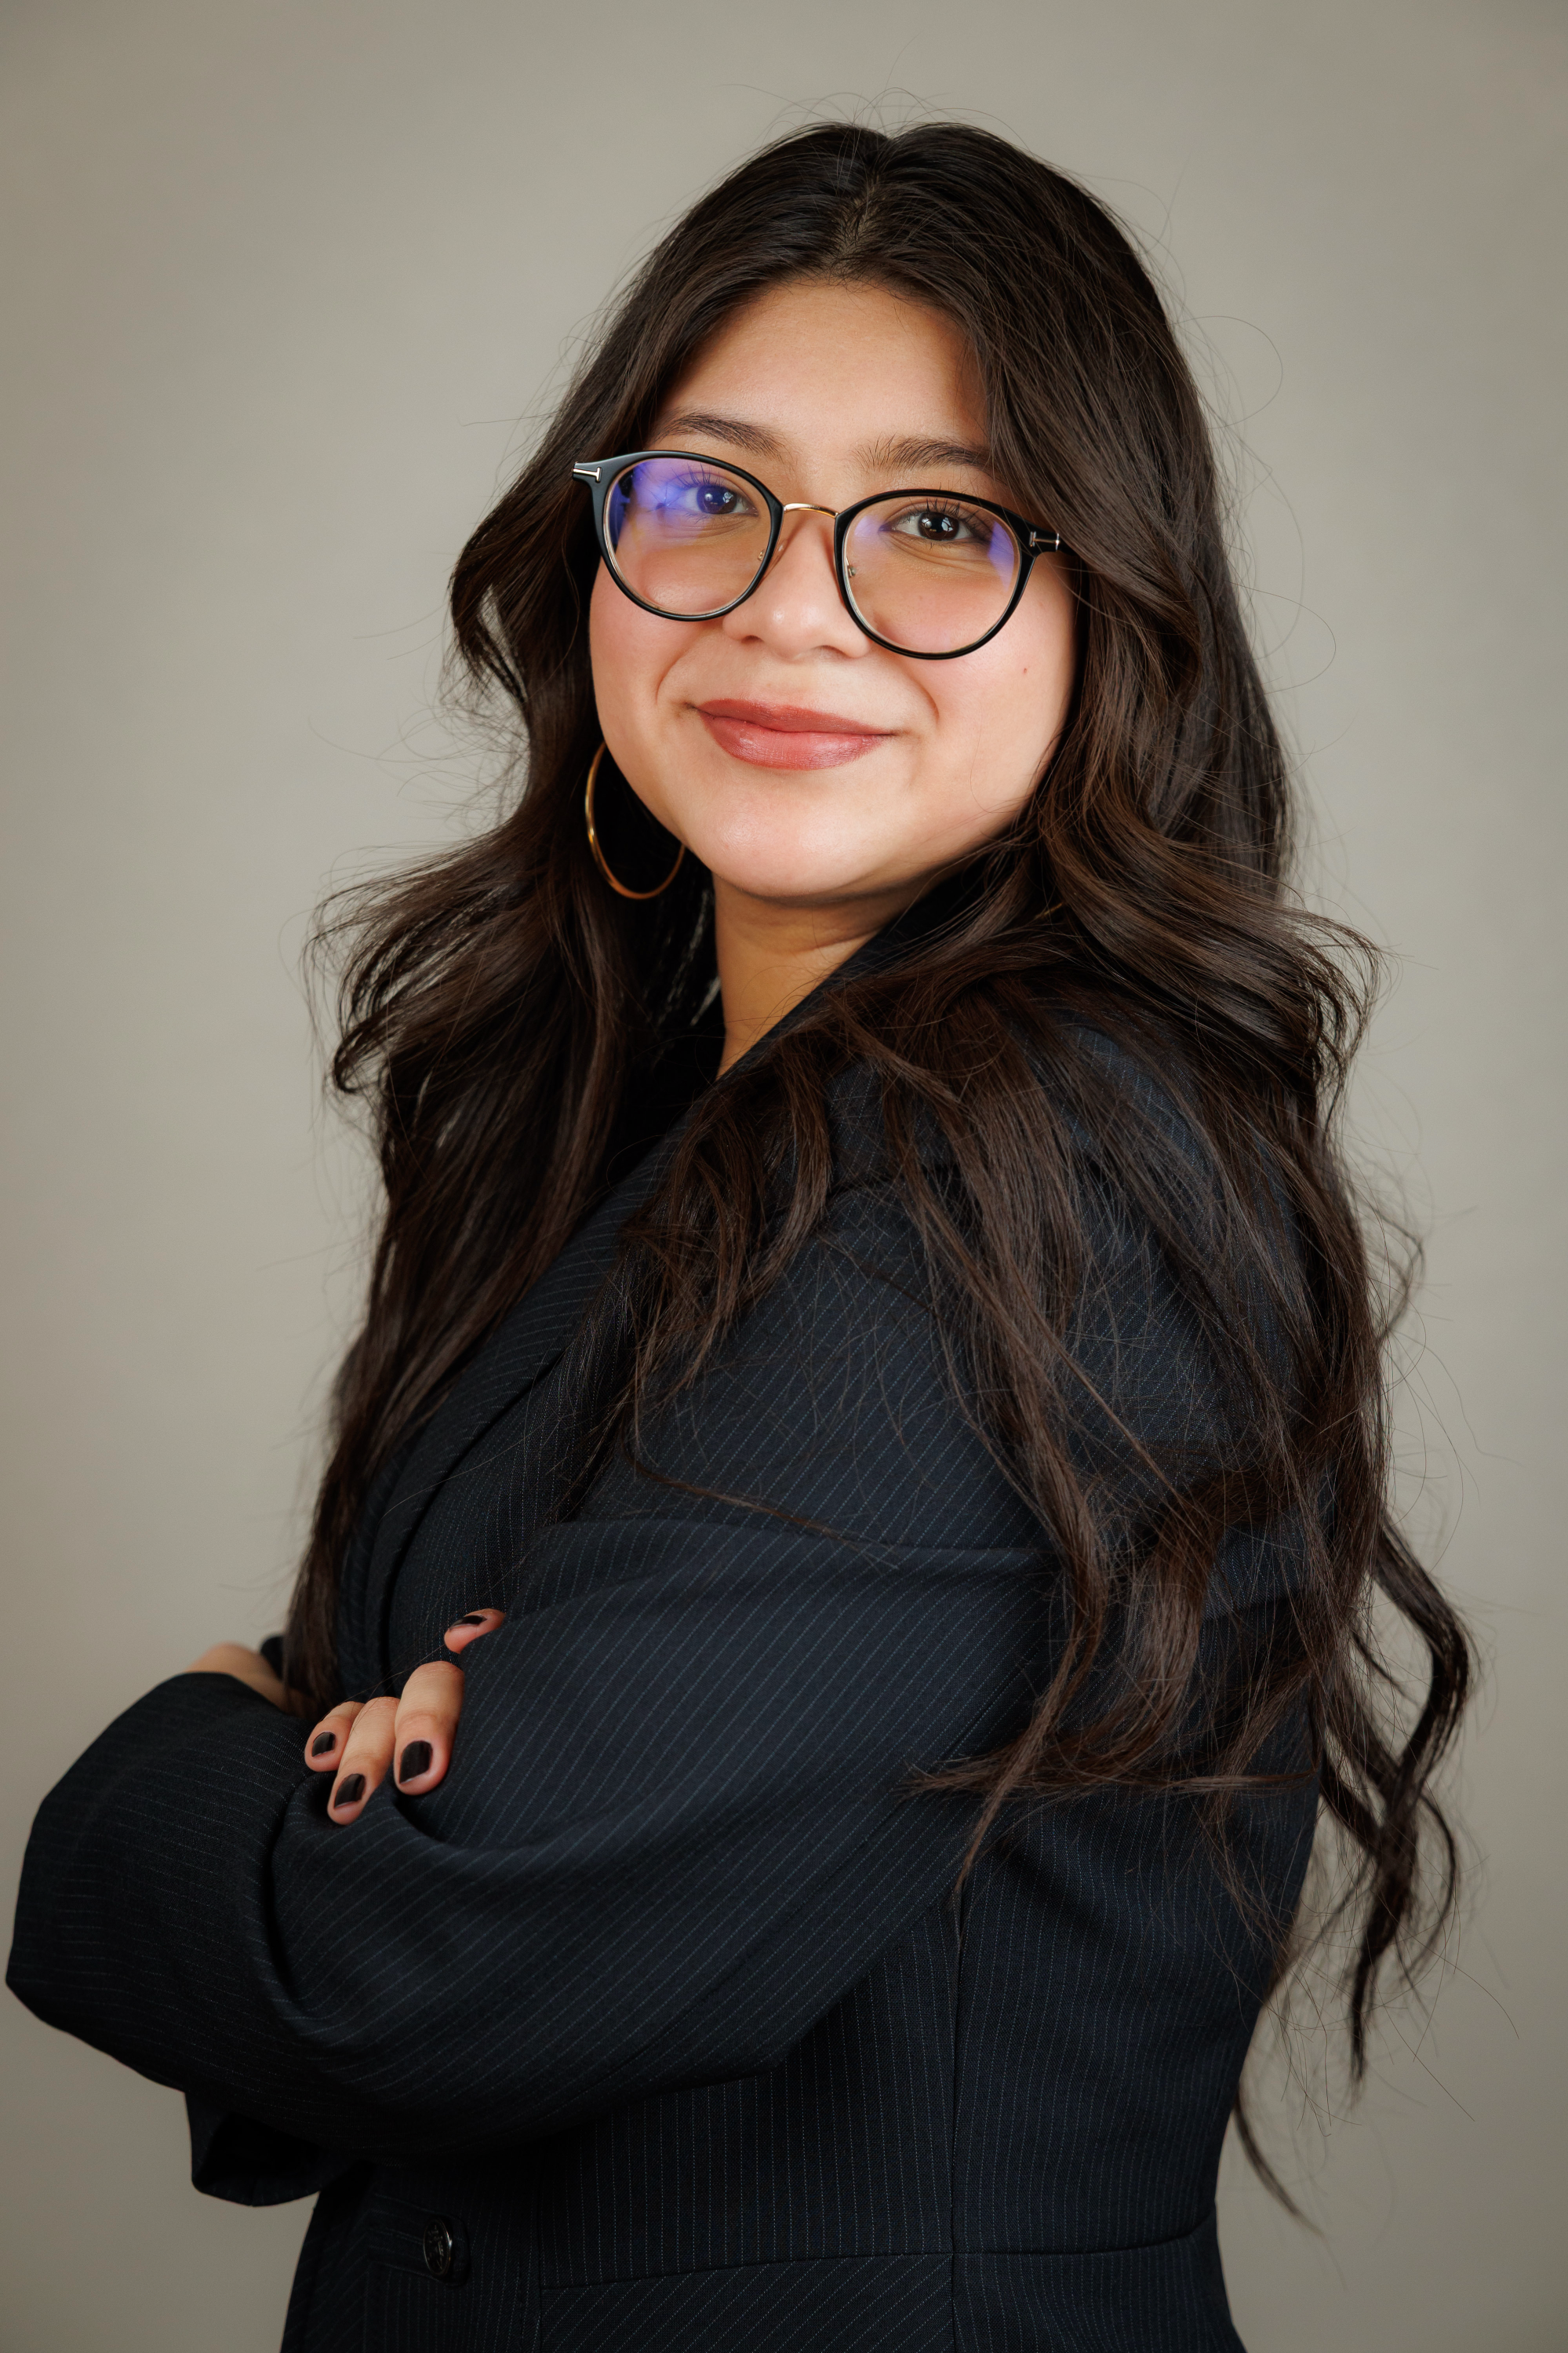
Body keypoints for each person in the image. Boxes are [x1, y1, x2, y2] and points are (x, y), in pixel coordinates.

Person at [8, 122, 1470, 2351]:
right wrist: (418, 1801)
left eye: (940, 525)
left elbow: (407, 1967)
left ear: (1113, 614)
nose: (792, 605)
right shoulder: (653, 1121)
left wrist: (198, 1744)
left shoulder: (1031, 1186)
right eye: (704, 496)